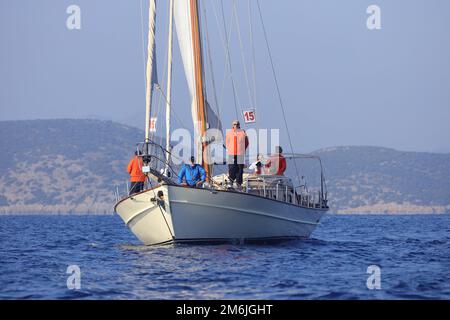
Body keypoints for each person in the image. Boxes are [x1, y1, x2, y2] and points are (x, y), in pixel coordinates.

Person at [225, 120, 249, 187]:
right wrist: (229, 149)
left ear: (239, 125)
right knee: (231, 168)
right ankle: (231, 182)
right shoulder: (229, 133)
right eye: (234, 124)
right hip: (231, 153)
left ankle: (239, 183)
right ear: (232, 125)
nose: (236, 125)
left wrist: (242, 149)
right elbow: (227, 142)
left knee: (240, 169)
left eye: (237, 124)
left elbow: (246, 142)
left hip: (240, 153)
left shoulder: (243, 132)